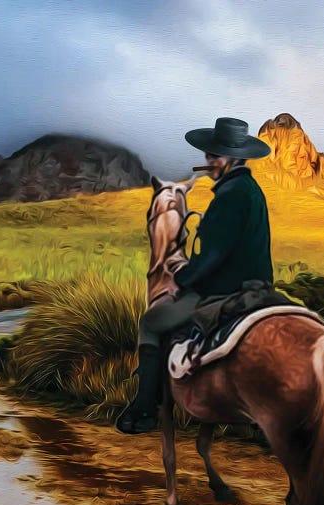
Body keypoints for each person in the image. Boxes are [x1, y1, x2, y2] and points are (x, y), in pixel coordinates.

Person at [116, 116, 272, 434]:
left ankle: (145, 408)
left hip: (226, 291)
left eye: (215, 155)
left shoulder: (231, 196)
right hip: (258, 286)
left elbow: (214, 255)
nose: (208, 161)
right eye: (208, 155)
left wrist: (184, 278)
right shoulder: (251, 190)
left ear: (233, 159)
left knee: (152, 322)